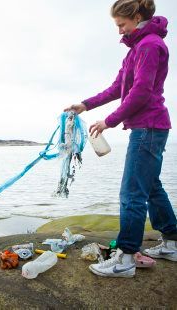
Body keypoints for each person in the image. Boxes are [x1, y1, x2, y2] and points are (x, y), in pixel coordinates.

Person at [65, 0, 177, 278]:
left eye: (121, 24)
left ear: (137, 17)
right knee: (151, 188)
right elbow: (119, 87)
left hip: (148, 128)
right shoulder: (135, 48)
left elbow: (140, 92)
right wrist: (86, 105)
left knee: (132, 194)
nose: (119, 31)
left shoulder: (150, 45)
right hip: (150, 128)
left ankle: (125, 258)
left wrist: (109, 121)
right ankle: (173, 244)